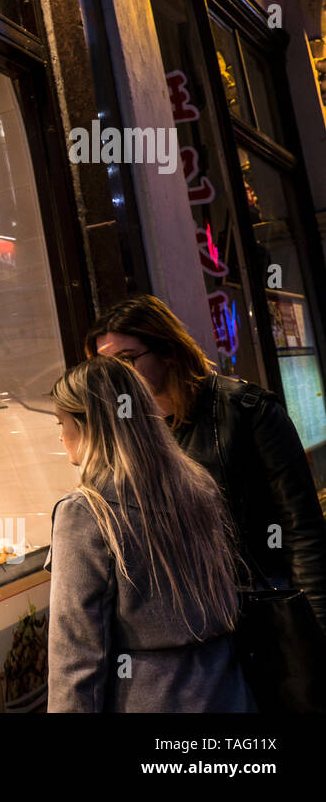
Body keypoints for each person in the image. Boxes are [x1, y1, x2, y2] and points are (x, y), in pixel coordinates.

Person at [87, 294, 326, 635]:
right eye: (108, 368)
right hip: (187, 631)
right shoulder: (122, 432)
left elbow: (301, 529)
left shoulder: (246, 411)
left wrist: (316, 627)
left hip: (257, 614)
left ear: (167, 351)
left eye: (127, 360)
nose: (118, 378)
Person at [47, 355, 254, 711]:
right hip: (228, 691)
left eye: (61, 421)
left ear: (88, 425)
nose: (61, 435)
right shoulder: (197, 485)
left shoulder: (85, 511)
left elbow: (77, 652)